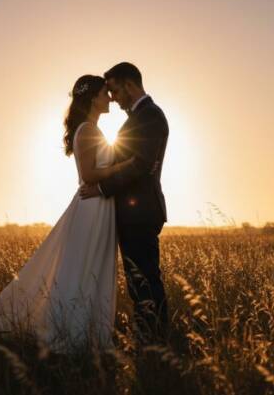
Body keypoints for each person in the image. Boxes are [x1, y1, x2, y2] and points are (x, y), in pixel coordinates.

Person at [0, 74, 133, 353]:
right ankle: (71, 330)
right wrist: (125, 165)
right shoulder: (87, 130)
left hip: (100, 206)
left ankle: (88, 330)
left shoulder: (92, 129)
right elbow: (88, 175)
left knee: (91, 267)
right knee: (81, 268)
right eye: (105, 93)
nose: (110, 98)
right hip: (91, 207)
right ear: (93, 98)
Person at [79, 62, 170, 343]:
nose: (113, 97)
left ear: (130, 85)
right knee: (138, 279)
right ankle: (150, 337)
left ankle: (155, 340)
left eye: (115, 90)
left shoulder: (150, 116)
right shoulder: (139, 117)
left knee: (145, 279)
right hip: (133, 211)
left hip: (141, 211)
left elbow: (140, 165)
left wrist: (101, 188)